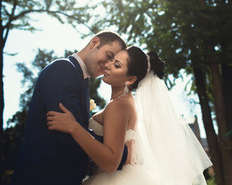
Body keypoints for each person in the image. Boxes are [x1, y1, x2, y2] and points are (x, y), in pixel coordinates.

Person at [46, 46, 213, 185]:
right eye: (112, 60)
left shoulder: (118, 105)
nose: (109, 65)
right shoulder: (125, 103)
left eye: (117, 65)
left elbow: (111, 162)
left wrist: (74, 127)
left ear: (130, 79)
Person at [10, 31, 128, 185]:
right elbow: (67, 135)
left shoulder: (82, 82)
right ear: (94, 43)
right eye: (109, 55)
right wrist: (119, 152)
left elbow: (76, 127)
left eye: (114, 63)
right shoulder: (63, 69)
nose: (107, 65)